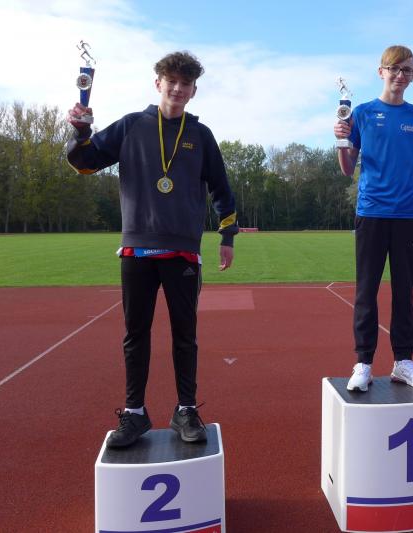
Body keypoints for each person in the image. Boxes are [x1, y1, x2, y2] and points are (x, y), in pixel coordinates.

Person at [66, 51, 239, 448]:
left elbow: (222, 190)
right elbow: (85, 163)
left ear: (193, 91)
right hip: (137, 250)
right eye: (171, 81)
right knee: (135, 335)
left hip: (183, 252)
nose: (177, 89)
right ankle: (134, 413)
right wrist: (79, 131)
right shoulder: (130, 126)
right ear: (157, 83)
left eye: (185, 83)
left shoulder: (201, 135)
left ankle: (186, 410)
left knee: (185, 335)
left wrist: (227, 237)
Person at [333, 45, 413, 392]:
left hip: (408, 214)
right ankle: (363, 363)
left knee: (404, 293)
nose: (400, 75)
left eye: (407, 70)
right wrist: (341, 142)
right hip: (372, 212)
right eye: (395, 69)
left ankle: (403, 362)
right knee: (366, 291)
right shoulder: (362, 113)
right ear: (381, 72)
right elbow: (348, 168)